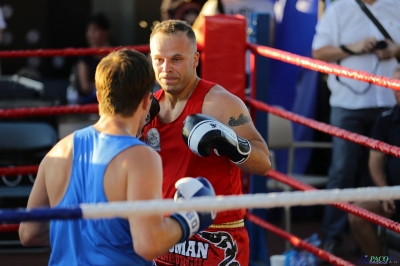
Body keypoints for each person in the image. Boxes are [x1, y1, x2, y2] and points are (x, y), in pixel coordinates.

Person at [18, 49, 217, 265]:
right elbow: (148, 244)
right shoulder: (140, 157)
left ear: (99, 96)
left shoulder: (57, 152)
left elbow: (29, 232)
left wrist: (90, 231)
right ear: (145, 102)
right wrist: (190, 217)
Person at [143, 19, 271, 265]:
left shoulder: (220, 104)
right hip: (165, 234)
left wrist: (232, 144)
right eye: (159, 59)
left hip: (215, 239)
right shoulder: (147, 107)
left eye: (177, 59)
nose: (166, 68)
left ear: (195, 60)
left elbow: (263, 163)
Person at [311, 0, 400, 255]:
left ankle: (372, 250)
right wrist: (353, 48)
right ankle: (333, 237)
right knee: (343, 169)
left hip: (387, 103)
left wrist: (396, 49)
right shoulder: (339, 9)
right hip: (349, 103)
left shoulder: (396, 6)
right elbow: (318, 52)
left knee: (379, 172)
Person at [348, 66, 400, 256]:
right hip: (393, 194)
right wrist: (386, 192)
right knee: (356, 214)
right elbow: (374, 162)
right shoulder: (385, 119)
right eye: (395, 87)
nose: (398, 92)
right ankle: (381, 262)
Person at [69, 12, 111, 104]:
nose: (90, 34)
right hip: (90, 103)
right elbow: (85, 87)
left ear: (105, 32)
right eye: (89, 31)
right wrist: (110, 84)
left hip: (114, 102)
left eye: (94, 30)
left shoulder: (115, 54)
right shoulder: (84, 56)